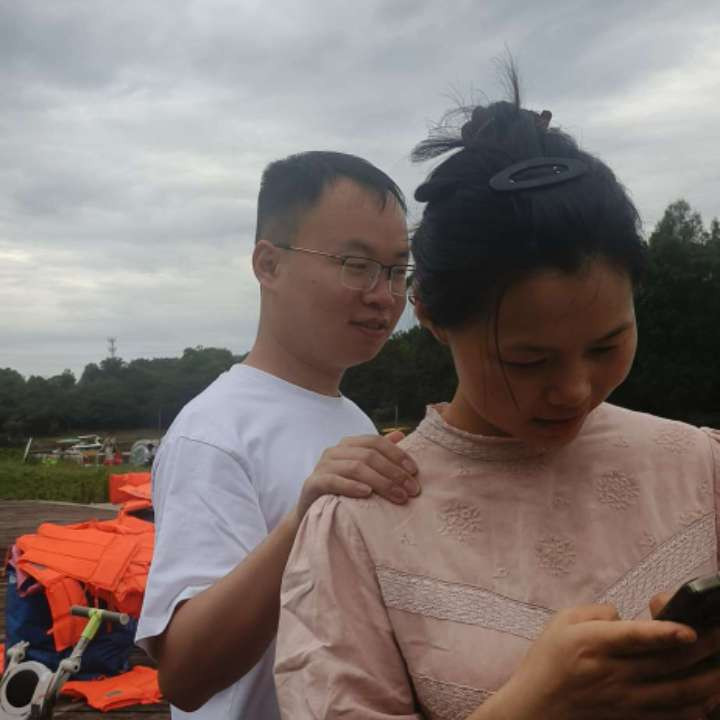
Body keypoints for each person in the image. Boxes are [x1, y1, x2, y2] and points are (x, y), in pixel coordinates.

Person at [274, 77, 720, 719]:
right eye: (527, 360)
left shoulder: (697, 466)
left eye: (607, 345)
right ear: (431, 316)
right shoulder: (364, 525)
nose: (574, 390)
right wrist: (534, 706)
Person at [135, 151, 420, 720]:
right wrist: (303, 522)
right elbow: (185, 675)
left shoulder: (353, 419)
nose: (384, 295)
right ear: (268, 264)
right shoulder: (214, 433)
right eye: (356, 265)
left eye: (396, 271)